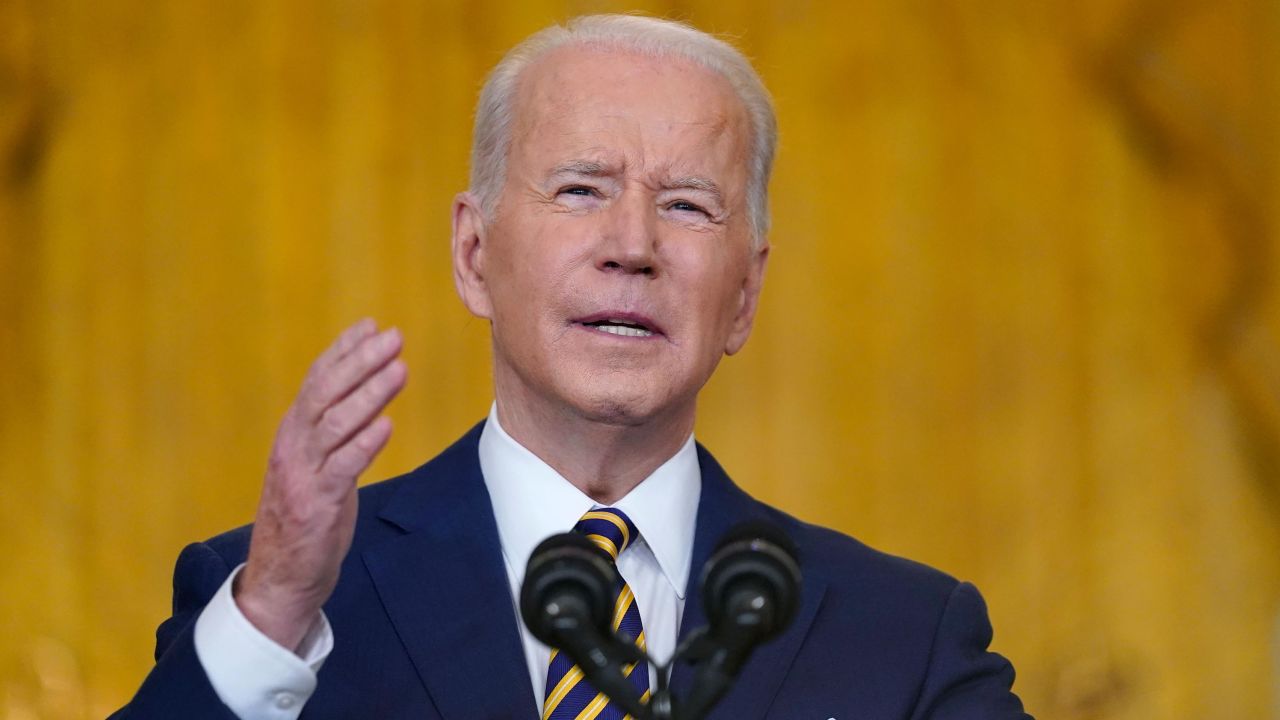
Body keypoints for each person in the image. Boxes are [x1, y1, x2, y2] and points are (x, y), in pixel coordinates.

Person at [112, 14, 1031, 720]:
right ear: (475, 255)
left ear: (744, 295)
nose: (632, 245)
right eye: (581, 190)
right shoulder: (278, 600)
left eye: (685, 205)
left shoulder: (903, 636)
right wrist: (271, 611)